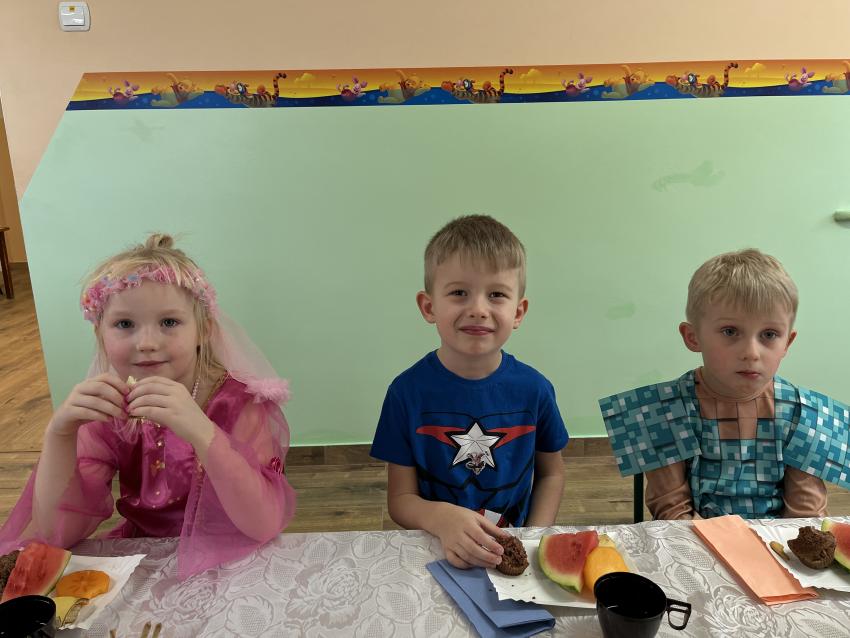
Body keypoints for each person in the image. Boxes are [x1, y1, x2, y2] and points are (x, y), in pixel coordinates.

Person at [0, 234, 296, 578]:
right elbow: (58, 533)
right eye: (124, 324)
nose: (147, 343)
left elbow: (262, 522)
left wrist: (202, 431)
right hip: (147, 561)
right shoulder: (111, 410)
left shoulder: (239, 403)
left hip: (234, 558)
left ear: (203, 330)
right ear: (101, 335)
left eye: (169, 322)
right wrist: (59, 434)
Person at [371, 215, 569, 569]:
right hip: (435, 550)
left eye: (496, 294)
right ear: (429, 307)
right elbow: (400, 499)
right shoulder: (405, 393)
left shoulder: (536, 390)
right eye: (459, 293)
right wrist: (440, 518)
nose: (478, 309)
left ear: (518, 311)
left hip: (512, 552)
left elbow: (552, 474)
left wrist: (532, 537)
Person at [599, 248, 850, 520]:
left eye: (769, 334)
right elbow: (672, 511)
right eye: (730, 331)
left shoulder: (804, 415)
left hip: (777, 541)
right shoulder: (664, 410)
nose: (751, 353)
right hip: (694, 537)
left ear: (787, 342)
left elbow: (804, 517)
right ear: (693, 337)